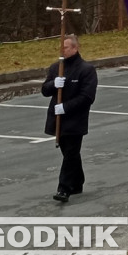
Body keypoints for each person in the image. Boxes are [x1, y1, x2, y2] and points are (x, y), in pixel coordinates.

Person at [41, 34, 97, 202]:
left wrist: (66, 107)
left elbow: (87, 97)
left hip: (75, 119)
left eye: (65, 47)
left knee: (71, 153)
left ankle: (63, 188)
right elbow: (45, 90)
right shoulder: (56, 68)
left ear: (75, 48)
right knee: (69, 152)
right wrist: (53, 84)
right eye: (61, 48)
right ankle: (77, 182)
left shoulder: (86, 69)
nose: (62, 50)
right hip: (57, 118)